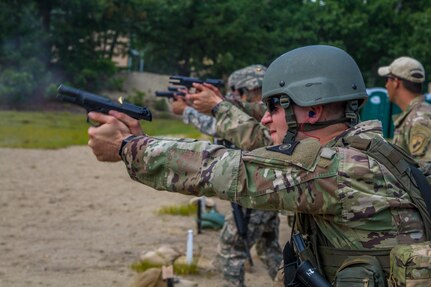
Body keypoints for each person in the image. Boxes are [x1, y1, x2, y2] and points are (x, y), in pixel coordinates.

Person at [87, 45, 427, 284]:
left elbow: (224, 170)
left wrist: (127, 147)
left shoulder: (334, 171)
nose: (264, 119)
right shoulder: (374, 152)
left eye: (273, 107)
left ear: (312, 110)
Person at [171, 65, 282, 287]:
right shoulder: (273, 108)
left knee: (230, 250)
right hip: (267, 186)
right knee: (269, 249)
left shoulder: (265, 110)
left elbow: (225, 127)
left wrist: (188, 110)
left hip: (258, 189)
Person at [378, 56, 431, 165]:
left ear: (396, 82)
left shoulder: (419, 121)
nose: (386, 85)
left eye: (387, 79)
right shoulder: (415, 115)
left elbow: (425, 175)